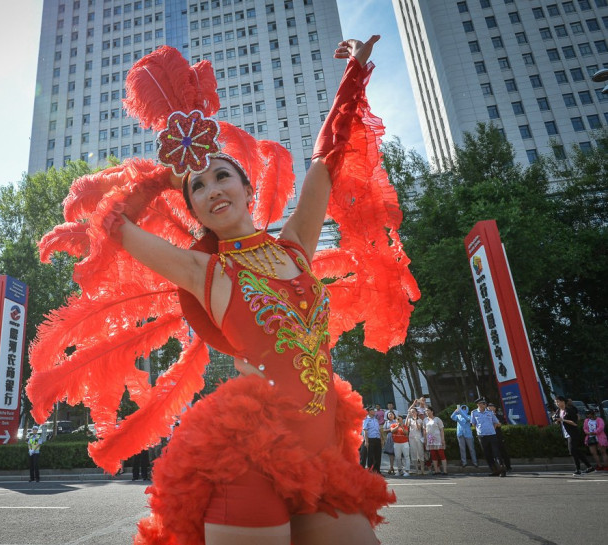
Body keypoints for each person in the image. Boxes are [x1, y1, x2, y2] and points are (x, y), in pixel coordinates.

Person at [27, 35, 420, 545]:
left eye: (221, 177)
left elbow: (326, 160)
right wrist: (163, 179)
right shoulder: (203, 271)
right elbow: (115, 223)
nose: (212, 189)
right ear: (192, 207)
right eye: (198, 187)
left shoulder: (296, 246)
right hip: (248, 460)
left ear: (247, 187)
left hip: (322, 456)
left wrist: (353, 78)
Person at [553, 395, 595, 475]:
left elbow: (574, 423)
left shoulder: (569, 410)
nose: (556, 404)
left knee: (572, 451)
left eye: (558, 402)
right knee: (575, 451)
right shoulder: (558, 411)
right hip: (566, 433)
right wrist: (556, 421)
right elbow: (559, 421)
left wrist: (563, 420)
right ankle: (590, 467)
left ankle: (578, 470)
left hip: (573, 433)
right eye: (555, 402)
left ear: (563, 401)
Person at [470, 398, 506, 477]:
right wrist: (480, 430)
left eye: (484, 403)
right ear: (478, 404)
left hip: (492, 435)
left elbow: (496, 422)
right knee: (487, 454)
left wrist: (492, 429)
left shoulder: (490, 412)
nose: (484, 405)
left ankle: (502, 470)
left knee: (496, 453)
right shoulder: (474, 413)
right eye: (482, 404)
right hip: (482, 436)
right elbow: (473, 424)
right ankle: (494, 470)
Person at [487, 402, 511, 471]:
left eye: (491, 406)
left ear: (494, 408)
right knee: (495, 454)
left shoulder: (499, 416)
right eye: (488, 407)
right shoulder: (487, 416)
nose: (489, 408)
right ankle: (499, 468)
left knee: (503, 452)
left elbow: (499, 424)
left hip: (498, 436)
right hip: (491, 437)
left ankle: (508, 466)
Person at [423, 407, 447, 475]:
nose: (427, 412)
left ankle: (445, 471)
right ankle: (436, 471)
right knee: (433, 455)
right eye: (426, 411)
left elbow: (441, 429)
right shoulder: (425, 420)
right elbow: (424, 430)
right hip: (430, 440)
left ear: (432, 411)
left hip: (438, 439)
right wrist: (425, 439)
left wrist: (443, 439)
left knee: (441, 455)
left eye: (428, 410)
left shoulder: (437, 419)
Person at [405, 408, 426, 475]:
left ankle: (422, 469)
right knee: (413, 453)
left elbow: (418, 428)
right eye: (411, 412)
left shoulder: (420, 420)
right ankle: (416, 470)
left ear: (416, 412)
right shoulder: (410, 420)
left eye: (413, 412)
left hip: (418, 437)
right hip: (411, 438)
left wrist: (415, 420)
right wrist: (408, 416)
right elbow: (406, 426)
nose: (412, 413)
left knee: (420, 452)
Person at [363, 406, 383, 474]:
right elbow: (365, 431)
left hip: (377, 439)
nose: (374, 411)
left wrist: (381, 439)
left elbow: (379, 430)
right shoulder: (366, 420)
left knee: (378, 455)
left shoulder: (376, 420)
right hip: (370, 439)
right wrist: (366, 441)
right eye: (372, 410)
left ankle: (377, 471)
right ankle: (370, 471)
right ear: (369, 412)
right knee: (371, 456)